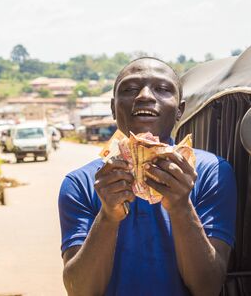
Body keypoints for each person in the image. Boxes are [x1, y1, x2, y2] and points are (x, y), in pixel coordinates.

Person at [58, 57, 237, 296]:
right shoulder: (81, 183)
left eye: (162, 89)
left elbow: (208, 287)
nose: (144, 95)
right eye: (130, 89)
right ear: (113, 108)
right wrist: (109, 216)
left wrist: (181, 207)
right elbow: (79, 290)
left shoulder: (210, 172)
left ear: (180, 110)